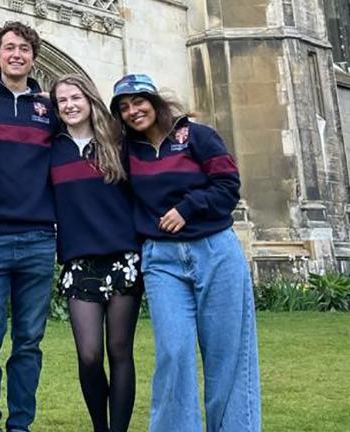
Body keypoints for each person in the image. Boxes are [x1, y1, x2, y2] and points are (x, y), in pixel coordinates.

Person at [110, 74, 261, 432]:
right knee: (173, 353)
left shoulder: (196, 136)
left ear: (155, 101)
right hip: (162, 261)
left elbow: (228, 185)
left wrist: (188, 208)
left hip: (215, 250)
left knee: (228, 355)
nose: (133, 111)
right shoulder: (127, 151)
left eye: (138, 101)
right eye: (124, 107)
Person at [0, 21, 58, 432]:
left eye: (24, 48)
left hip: (39, 239)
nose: (16, 54)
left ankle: (20, 425)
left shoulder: (49, 109)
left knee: (29, 341)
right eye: (9, 48)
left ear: (33, 56)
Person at [48, 74, 143, 432]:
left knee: (120, 352)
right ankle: (99, 426)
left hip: (123, 258)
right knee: (89, 355)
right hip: (78, 261)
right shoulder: (52, 148)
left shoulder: (118, 144)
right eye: (62, 101)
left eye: (76, 97)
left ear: (90, 100)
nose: (70, 105)